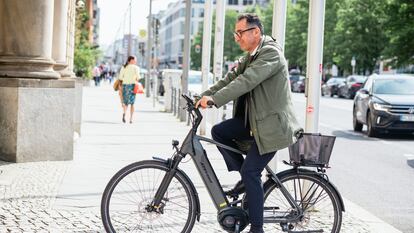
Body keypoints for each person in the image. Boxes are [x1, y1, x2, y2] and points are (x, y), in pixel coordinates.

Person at [196, 14, 301, 233]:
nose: (237, 38)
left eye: (240, 33)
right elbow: (230, 79)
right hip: (256, 123)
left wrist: (214, 101)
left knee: (252, 172)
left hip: (273, 128)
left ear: (256, 32)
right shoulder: (252, 55)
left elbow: (246, 81)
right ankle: (244, 178)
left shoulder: (270, 54)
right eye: (236, 33)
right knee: (220, 132)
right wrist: (201, 96)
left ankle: (257, 228)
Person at [118, 55, 141, 123]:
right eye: (135, 60)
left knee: (125, 102)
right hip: (132, 86)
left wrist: (120, 86)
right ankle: (131, 119)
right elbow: (138, 77)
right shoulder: (136, 68)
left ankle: (124, 113)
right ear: (131, 60)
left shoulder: (124, 67)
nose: (136, 61)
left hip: (125, 86)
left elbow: (120, 78)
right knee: (132, 103)